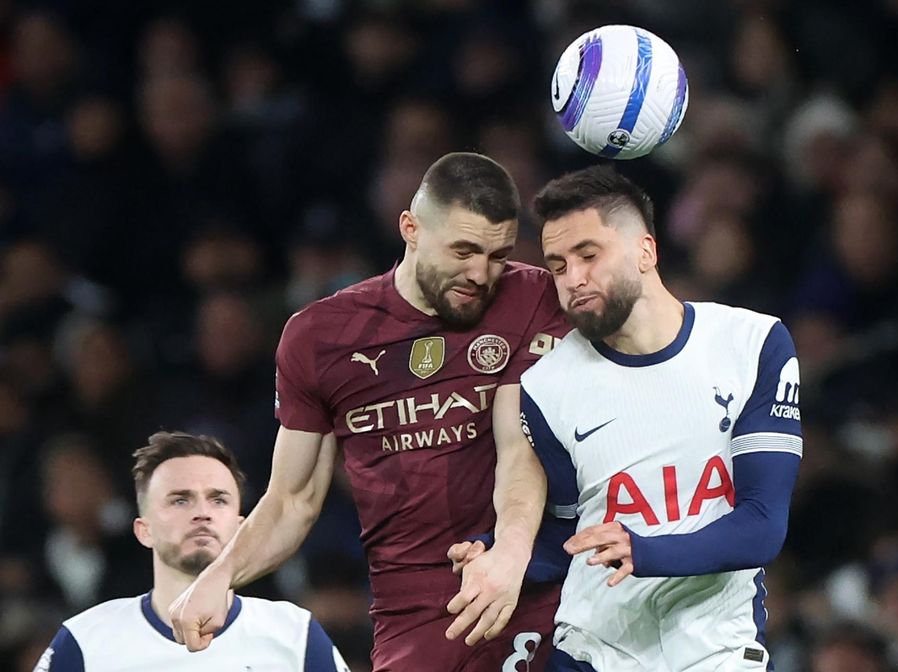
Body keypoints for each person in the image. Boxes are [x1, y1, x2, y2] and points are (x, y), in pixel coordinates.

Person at [168, 152, 570, 671]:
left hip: (532, 586)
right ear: (411, 228)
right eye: (464, 250)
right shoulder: (320, 337)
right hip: (414, 613)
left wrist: (512, 553)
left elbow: (521, 447)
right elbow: (292, 499)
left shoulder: (532, 298)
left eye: (497, 255)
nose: (481, 274)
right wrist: (218, 576)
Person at [521, 166, 802, 671]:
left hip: (717, 648)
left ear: (646, 252)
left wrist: (644, 551)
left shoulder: (753, 345)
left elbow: (762, 526)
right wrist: (492, 551)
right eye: (557, 266)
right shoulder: (545, 386)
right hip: (594, 649)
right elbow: (565, 537)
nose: (573, 279)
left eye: (589, 255)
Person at [34, 431, 350, 671]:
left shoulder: (296, 635)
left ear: (242, 526)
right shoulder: (85, 642)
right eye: (180, 500)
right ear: (144, 531)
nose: (203, 513)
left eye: (218, 500)